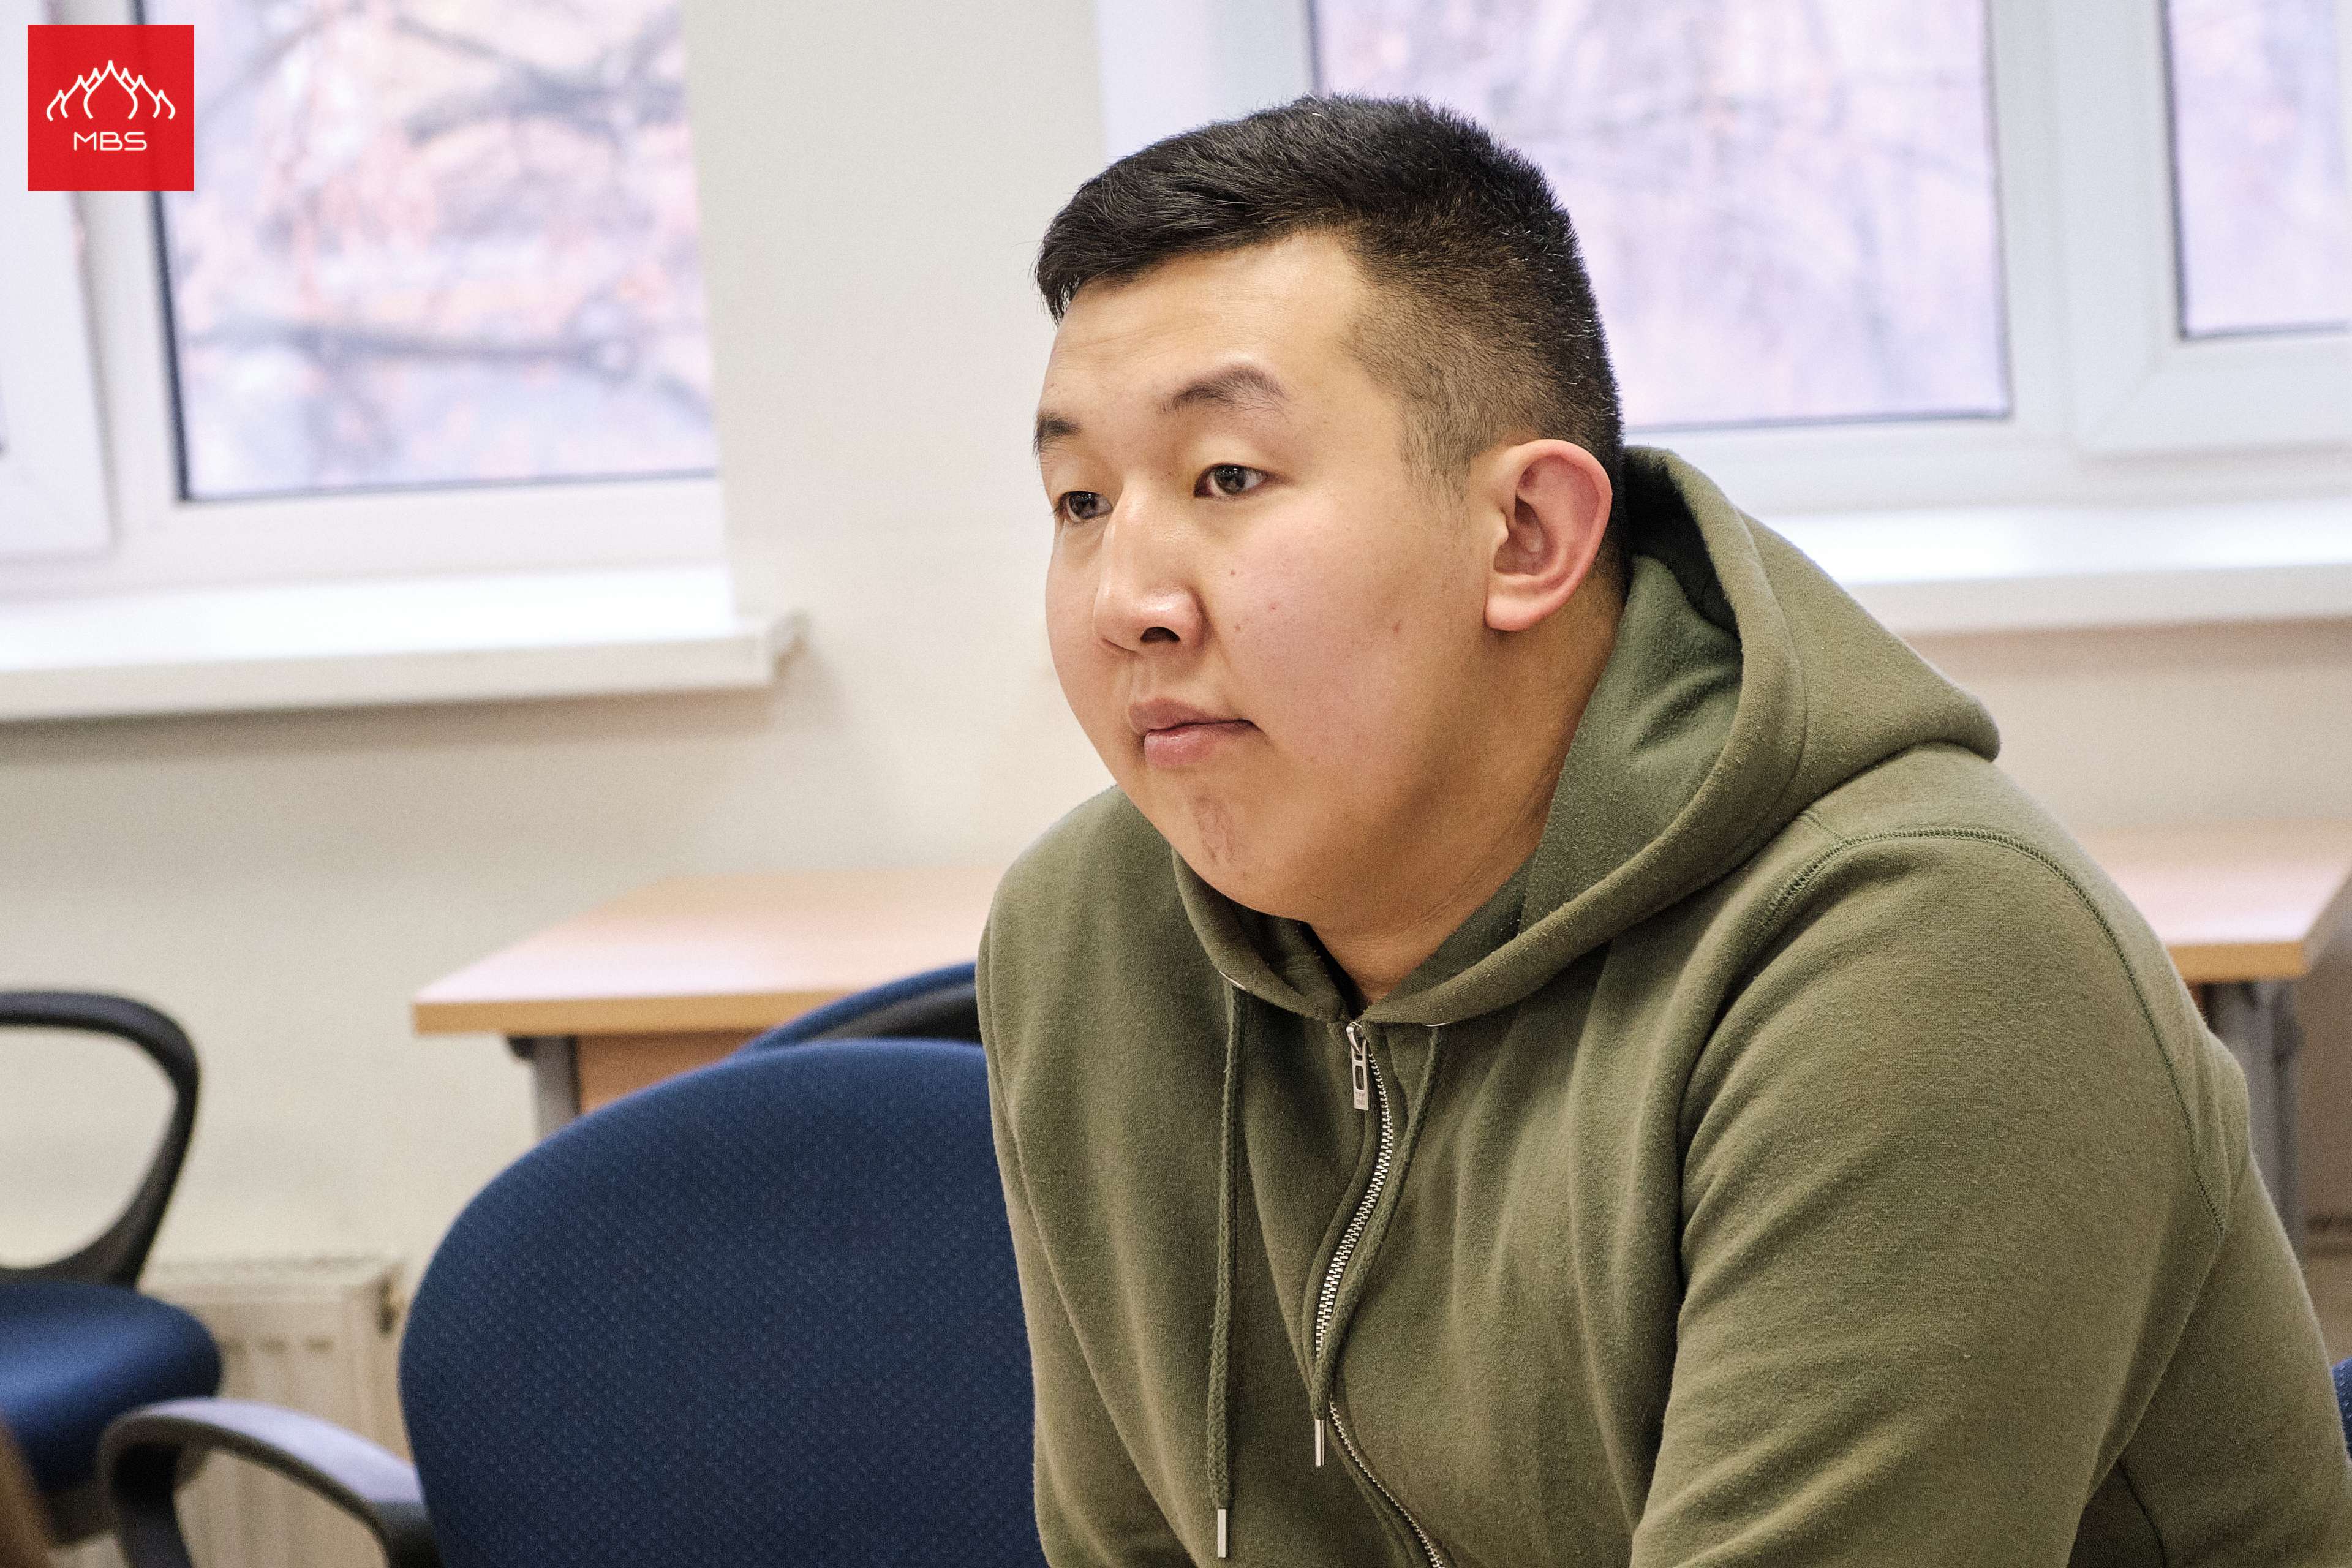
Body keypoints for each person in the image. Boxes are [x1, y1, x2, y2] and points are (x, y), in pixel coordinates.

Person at [976, 94, 2352, 1566]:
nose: (1124, 598)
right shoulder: (1088, 936)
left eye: (1227, 478)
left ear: (1528, 536)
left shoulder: (1924, 961)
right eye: (1080, 500)